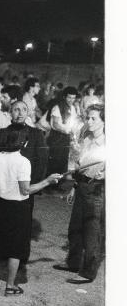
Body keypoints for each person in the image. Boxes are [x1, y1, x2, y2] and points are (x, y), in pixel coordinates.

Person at [0, 129, 62, 296]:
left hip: (0, 204)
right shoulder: (23, 161)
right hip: (17, 208)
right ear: (24, 143)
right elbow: (25, 190)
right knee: (16, 247)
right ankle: (10, 286)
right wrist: (47, 181)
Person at [53, 104, 105, 284]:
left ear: (104, 121)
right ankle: (73, 262)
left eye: (94, 118)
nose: (89, 121)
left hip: (96, 187)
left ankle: (88, 272)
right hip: (81, 184)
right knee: (75, 227)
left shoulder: (108, 142)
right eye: (88, 118)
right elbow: (79, 164)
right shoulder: (87, 137)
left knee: (92, 231)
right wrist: (74, 186)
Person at [46, 86, 80, 186]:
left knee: (63, 161)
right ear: (64, 97)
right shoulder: (57, 107)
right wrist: (66, 130)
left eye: (73, 98)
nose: (71, 100)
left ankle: (58, 184)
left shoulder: (73, 108)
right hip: (57, 137)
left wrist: (73, 132)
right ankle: (50, 185)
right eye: (69, 97)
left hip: (66, 138)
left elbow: (74, 121)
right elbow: (56, 124)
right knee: (55, 160)